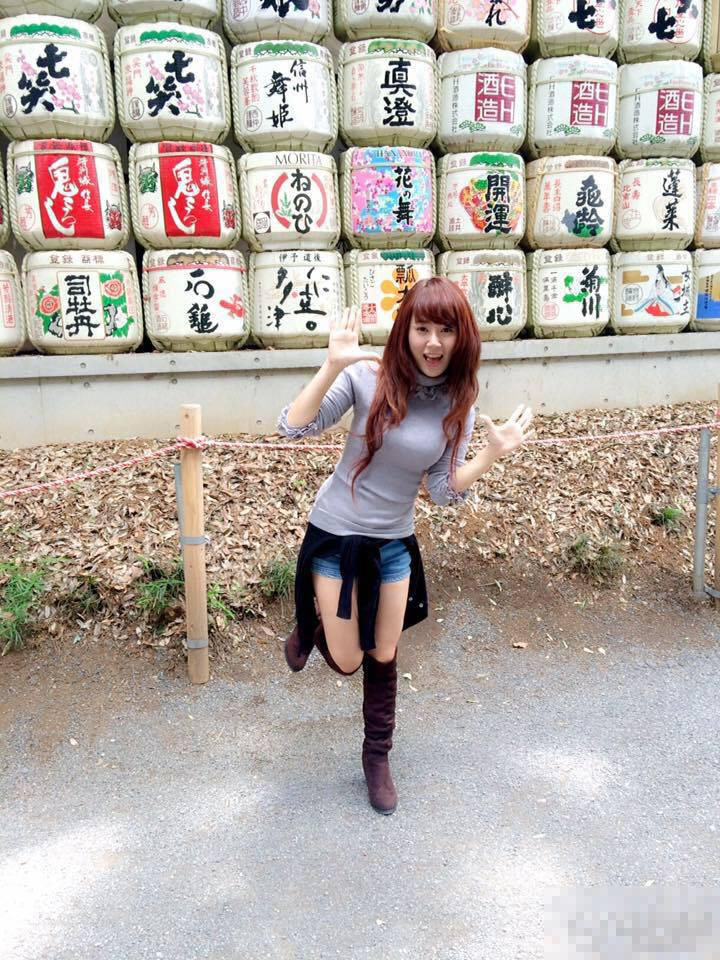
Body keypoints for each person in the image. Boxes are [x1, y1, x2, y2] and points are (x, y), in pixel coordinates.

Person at [276, 277, 534, 815]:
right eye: (422, 328)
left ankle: (377, 758)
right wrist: (331, 366)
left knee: (384, 652)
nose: (433, 342)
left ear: (463, 338)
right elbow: (292, 429)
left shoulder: (460, 402)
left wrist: (488, 457)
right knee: (347, 660)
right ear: (405, 331)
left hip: (393, 541)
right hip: (337, 533)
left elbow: (441, 491)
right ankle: (312, 623)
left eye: (446, 330)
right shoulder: (365, 377)